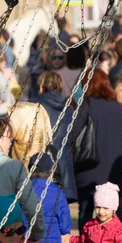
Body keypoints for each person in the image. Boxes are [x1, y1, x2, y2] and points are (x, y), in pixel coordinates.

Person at [72, 68, 122, 243]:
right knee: (115, 212)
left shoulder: (87, 104)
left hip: (90, 167)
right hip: (113, 168)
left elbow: (74, 132)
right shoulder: (117, 107)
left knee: (87, 209)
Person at [32, 71, 77, 202]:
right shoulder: (69, 110)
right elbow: (72, 136)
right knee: (59, 213)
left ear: (41, 86)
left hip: (39, 164)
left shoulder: (34, 106)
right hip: (63, 168)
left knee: (37, 214)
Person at [8, 102, 53, 169]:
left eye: (11, 121)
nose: (7, 125)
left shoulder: (45, 165)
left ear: (26, 127)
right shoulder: (7, 148)